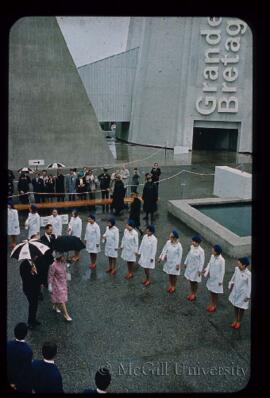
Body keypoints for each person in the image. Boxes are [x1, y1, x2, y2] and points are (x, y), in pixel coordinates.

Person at [7, 322, 33, 392]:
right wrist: (16, 384)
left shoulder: (8, 345)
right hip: (20, 385)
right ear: (25, 334)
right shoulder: (28, 351)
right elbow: (25, 371)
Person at [48, 252, 72, 321]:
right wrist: (50, 285)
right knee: (62, 299)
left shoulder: (63, 263)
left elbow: (66, 272)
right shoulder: (53, 265)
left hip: (63, 283)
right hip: (57, 284)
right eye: (63, 256)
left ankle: (55, 306)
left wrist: (68, 276)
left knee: (58, 297)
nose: (64, 257)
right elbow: (50, 276)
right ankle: (66, 315)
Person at [228, 256, 251, 329]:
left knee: (241, 308)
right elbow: (233, 277)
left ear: (244, 265)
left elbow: (250, 286)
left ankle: (239, 321)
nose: (238, 265)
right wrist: (230, 284)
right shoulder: (237, 269)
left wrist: (248, 296)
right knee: (235, 305)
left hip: (243, 294)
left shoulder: (248, 274)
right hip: (235, 290)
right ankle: (235, 319)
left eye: (240, 264)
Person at [20, 257, 42, 329]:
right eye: (35, 256)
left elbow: (38, 274)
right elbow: (25, 278)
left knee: (35, 304)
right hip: (29, 289)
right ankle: (30, 322)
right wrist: (31, 272)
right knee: (32, 305)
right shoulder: (23, 265)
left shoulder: (35, 262)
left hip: (36, 288)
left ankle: (33, 319)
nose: (36, 257)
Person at [203, 244, 225, 312]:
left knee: (215, 293)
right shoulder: (212, 256)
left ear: (216, 252)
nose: (212, 250)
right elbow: (209, 264)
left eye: (213, 249)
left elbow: (222, 271)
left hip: (217, 279)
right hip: (211, 277)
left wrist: (220, 281)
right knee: (211, 291)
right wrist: (206, 270)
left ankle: (214, 305)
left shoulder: (222, 260)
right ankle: (212, 303)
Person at [184, 234, 205, 301]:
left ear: (198, 243)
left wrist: (200, 270)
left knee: (195, 281)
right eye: (193, 241)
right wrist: (185, 263)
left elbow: (202, 261)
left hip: (196, 269)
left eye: (194, 241)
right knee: (190, 280)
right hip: (190, 266)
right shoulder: (191, 247)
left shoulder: (201, 251)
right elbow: (188, 255)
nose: (192, 242)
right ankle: (191, 292)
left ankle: (194, 294)